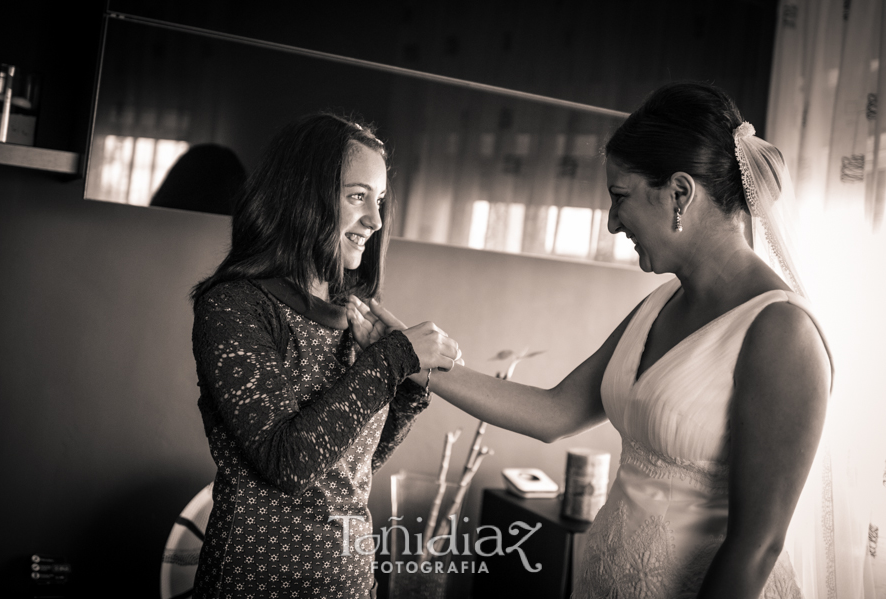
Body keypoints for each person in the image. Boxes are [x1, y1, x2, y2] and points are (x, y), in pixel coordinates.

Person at [350, 82, 833, 598]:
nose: (610, 223)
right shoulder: (660, 304)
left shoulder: (784, 334)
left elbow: (756, 547)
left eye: (619, 197)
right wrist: (408, 356)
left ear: (680, 193)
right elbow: (553, 412)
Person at [189, 112, 461, 598]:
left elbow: (351, 470)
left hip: (349, 582)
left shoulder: (351, 314)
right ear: (302, 198)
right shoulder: (233, 306)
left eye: (378, 201)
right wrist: (394, 359)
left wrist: (408, 391)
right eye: (358, 196)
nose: (375, 220)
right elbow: (287, 462)